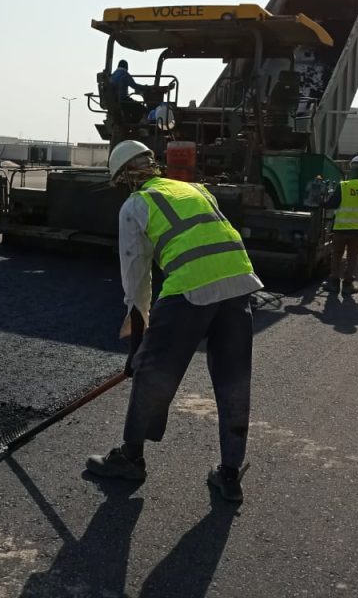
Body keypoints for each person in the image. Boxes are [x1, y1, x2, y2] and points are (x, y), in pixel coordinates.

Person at [86, 140, 262, 503]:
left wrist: (138, 347)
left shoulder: (137, 204)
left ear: (126, 178)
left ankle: (131, 458)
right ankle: (230, 474)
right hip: (239, 283)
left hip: (190, 290)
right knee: (233, 381)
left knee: (153, 373)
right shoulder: (195, 188)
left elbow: (136, 280)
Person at [323, 154, 358, 296]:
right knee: (352, 257)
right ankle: (347, 285)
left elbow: (331, 204)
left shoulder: (343, 186)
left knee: (337, 254)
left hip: (341, 228)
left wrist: (322, 202)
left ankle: (333, 283)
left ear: (351, 168)